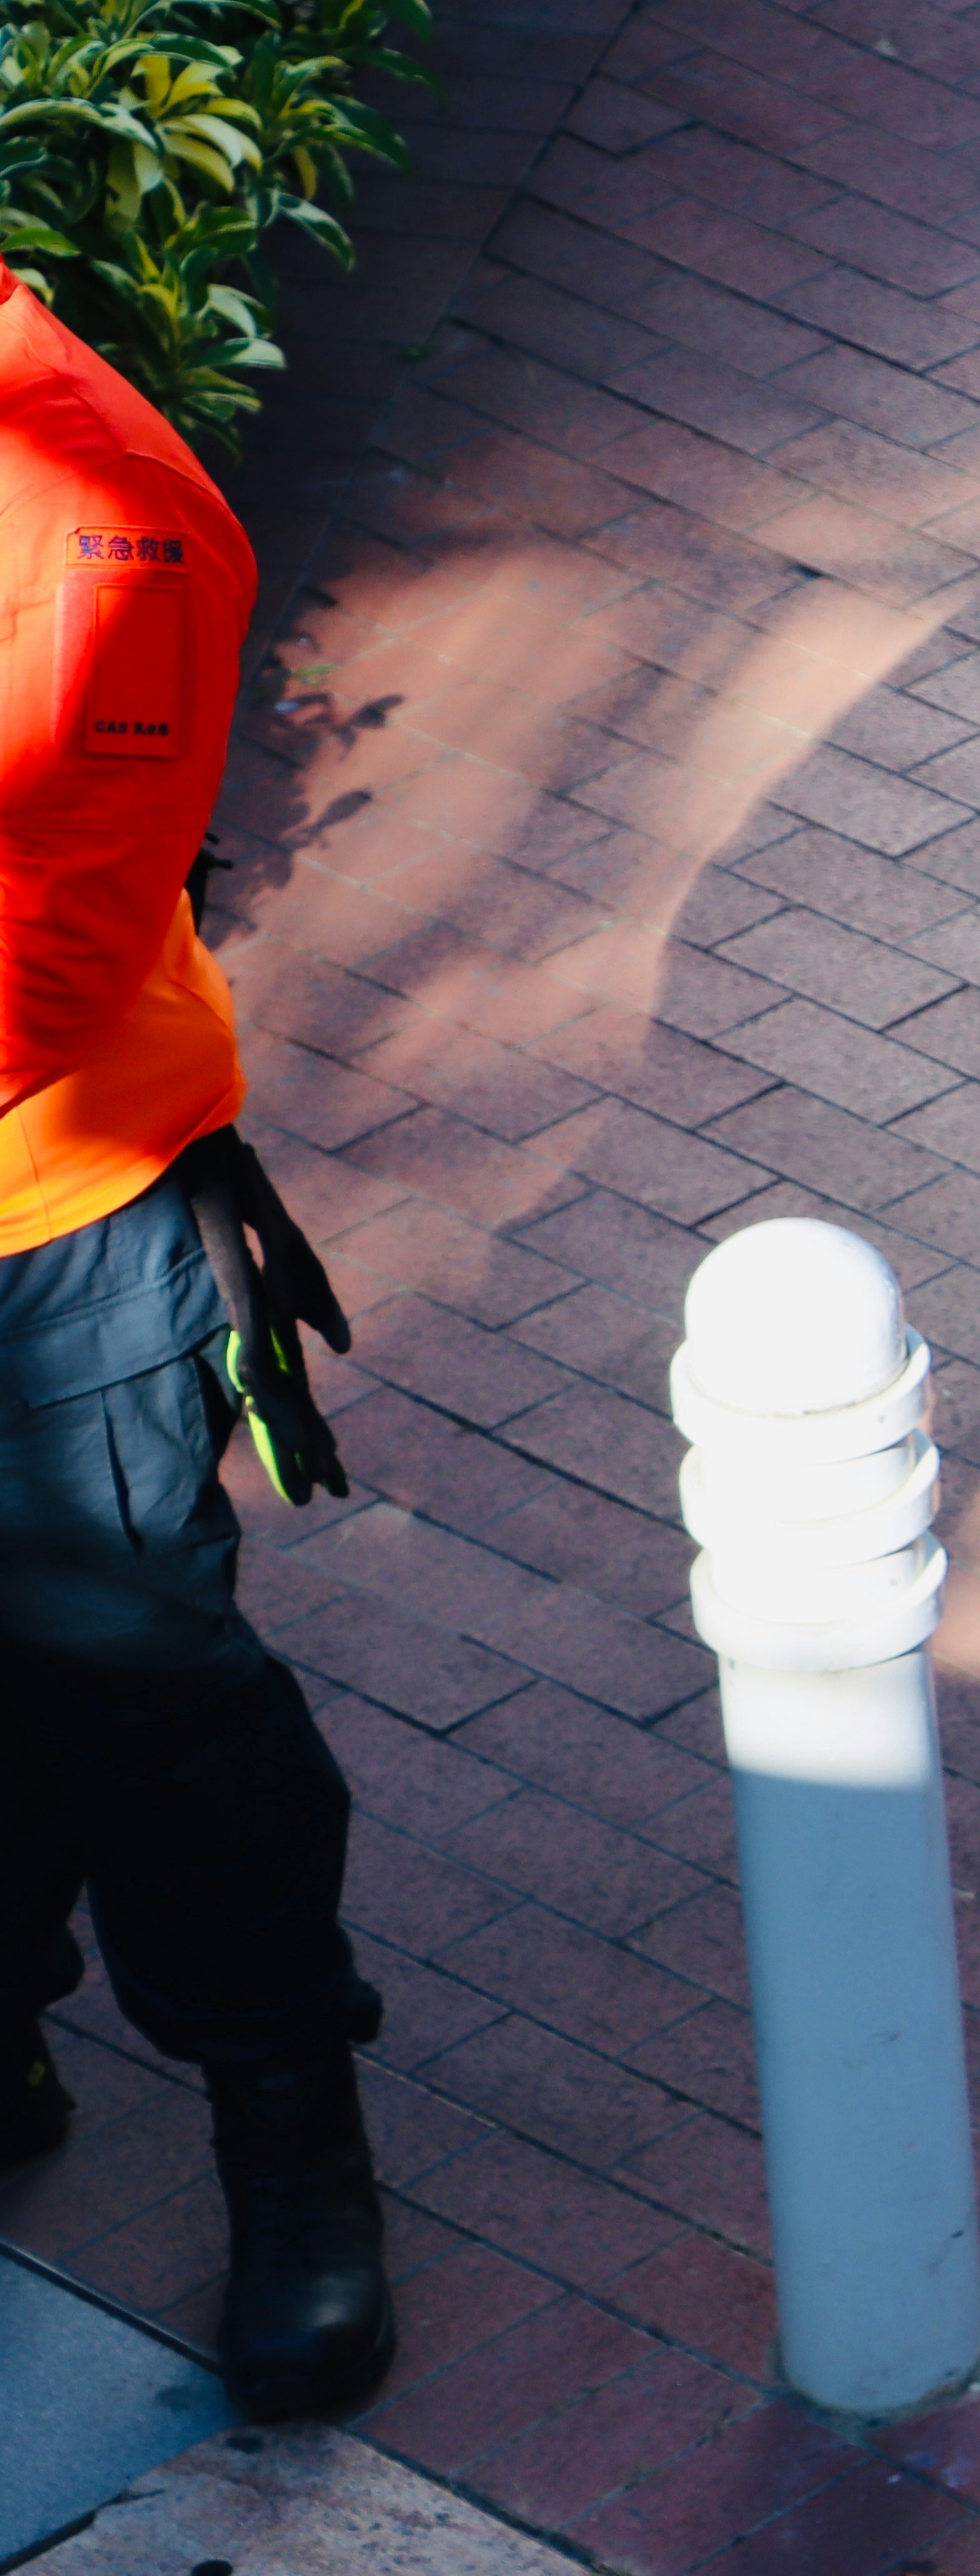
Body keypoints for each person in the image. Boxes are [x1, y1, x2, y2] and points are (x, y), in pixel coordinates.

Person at [0, 264, 386, 2419]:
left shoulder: (96, 503)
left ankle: (290, 2134)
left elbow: (44, 943)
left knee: (139, 1693)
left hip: (43, 1232)